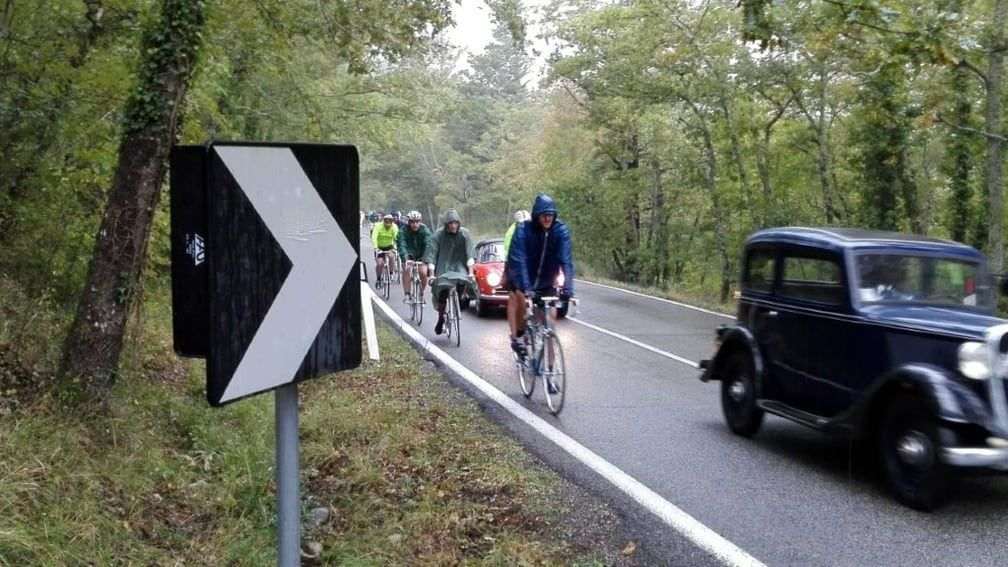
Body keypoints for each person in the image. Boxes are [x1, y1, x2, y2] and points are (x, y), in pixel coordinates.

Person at [505, 193, 575, 358]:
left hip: (546, 280)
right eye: (544, 215)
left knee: (550, 321)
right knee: (521, 303)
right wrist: (526, 288)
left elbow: (566, 261)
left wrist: (568, 288)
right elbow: (520, 260)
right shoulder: (523, 230)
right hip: (523, 277)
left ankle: (550, 368)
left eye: (550, 215)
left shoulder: (560, 231)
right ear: (536, 215)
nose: (547, 219)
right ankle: (518, 337)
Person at [425, 209, 475, 335]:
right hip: (443, 266)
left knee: (463, 282)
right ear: (446, 224)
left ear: (459, 223)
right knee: (443, 290)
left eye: (455, 223)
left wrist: (471, 272)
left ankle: (460, 299)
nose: (453, 226)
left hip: (459, 265)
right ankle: (441, 318)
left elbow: (470, 253)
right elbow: (432, 254)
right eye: (450, 223)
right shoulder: (438, 236)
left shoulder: (465, 234)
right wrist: (432, 274)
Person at [397, 210, 433, 300]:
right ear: (409, 222)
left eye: (417, 222)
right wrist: (405, 257)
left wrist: (425, 258)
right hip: (408, 255)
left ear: (420, 222)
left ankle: (421, 293)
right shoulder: (403, 230)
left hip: (422, 255)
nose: (415, 224)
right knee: (407, 269)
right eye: (412, 222)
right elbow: (401, 244)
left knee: (423, 272)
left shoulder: (425, 230)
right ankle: (407, 293)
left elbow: (429, 244)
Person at [371, 213, 399, 280]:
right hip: (379, 247)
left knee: (391, 257)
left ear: (392, 222)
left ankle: (391, 273)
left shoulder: (394, 227)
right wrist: (375, 247)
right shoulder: (378, 226)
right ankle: (378, 278)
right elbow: (374, 237)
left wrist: (396, 247)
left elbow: (397, 237)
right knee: (380, 263)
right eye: (386, 223)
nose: (387, 225)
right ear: (383, 221)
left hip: (389, 246)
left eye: (389, 223)